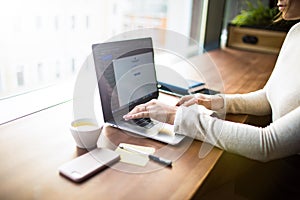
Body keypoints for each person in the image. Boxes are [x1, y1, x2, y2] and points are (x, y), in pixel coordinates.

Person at [124, 0, 300, 198]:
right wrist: (214, 101)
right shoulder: (296, 33)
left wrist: (177, 116)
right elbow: (269, 96)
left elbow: (268, 143)